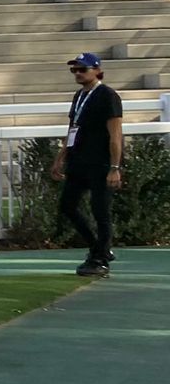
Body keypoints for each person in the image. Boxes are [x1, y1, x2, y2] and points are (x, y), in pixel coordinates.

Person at [53, 53, 122, 278]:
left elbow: (115, 133)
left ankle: (100, 259)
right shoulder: (79, 95)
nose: (78, 74)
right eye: (74, 70)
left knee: (100, 211)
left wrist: (115, 167)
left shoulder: (107, 96)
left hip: (100, 161)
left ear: (96, 70)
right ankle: (98, 247)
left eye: (82, 69)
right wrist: (61, 156)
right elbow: (73, 127)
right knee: (68, 206)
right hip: (78, 160)